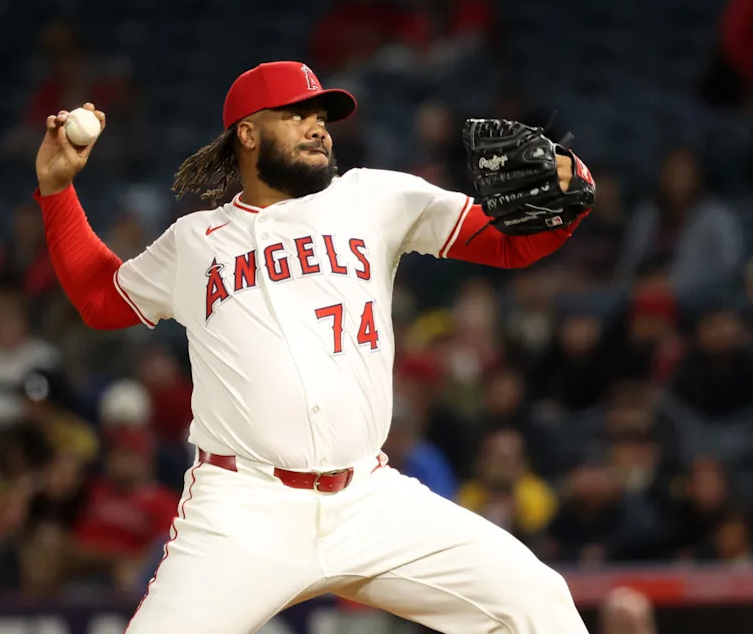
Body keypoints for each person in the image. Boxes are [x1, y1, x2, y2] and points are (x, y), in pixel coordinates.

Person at [33, 61, 592, 633]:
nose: (318, 126)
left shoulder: (376, 196)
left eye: (321, 116)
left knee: (538, 603)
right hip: (244, 508)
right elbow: (102, 300)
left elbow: (507, 245)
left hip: (369, 499)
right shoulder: (195, 241)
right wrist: (57, 191)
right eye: (296, 114)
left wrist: (570, 191)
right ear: (247, 133)